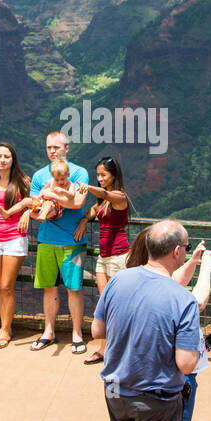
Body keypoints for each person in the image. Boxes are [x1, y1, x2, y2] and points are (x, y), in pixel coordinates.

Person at [93, 220, 201, 421]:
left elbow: (97, 330)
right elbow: (186, 364)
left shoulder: (118, 280)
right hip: (154, 398)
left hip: (115, 391)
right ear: (176, 252)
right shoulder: (183, 299)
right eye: (186, 247)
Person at [125, 229, 211, 421]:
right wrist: (206, 269)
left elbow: (174, 282)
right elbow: (196, 303)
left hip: (138, 375)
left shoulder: (135, 280)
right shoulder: (170, 292)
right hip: (175, 377)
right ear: (173, 252)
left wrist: (193, 262)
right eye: (183, 248)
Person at [21, 132, 90, 354]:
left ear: (67, 148)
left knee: (75, 288)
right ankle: (48, 332)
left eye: (57, 147)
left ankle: (77, 333)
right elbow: (34, 209)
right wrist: (44, 203)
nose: (52, 151)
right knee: (48, 288)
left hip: (74, 242)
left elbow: (78, 203)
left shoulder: (80, 172)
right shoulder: (40, 174)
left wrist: (48, 195)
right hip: (46, 241)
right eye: (49, 147)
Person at [74, 156, 130, 365]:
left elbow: (106, 193)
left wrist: (88, 187)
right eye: (97, 175)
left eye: (103, 175)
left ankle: (122, 349)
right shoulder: (103, 201)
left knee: (120, 304)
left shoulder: (119, 196)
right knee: (106, 304)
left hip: (119, 257)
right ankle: (104, 349)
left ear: (113, 175)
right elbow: (93, 210)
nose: (100, 179)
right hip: (103, 257)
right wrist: (83, 220)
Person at [0, 142, 32, 349]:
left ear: (13, 160)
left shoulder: (22, 181)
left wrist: (28, 213)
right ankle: (4, 327)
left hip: (14, 238)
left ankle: (6, 329)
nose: (2, 160)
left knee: (6, 286)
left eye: (6, 157)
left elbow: (35, 201)